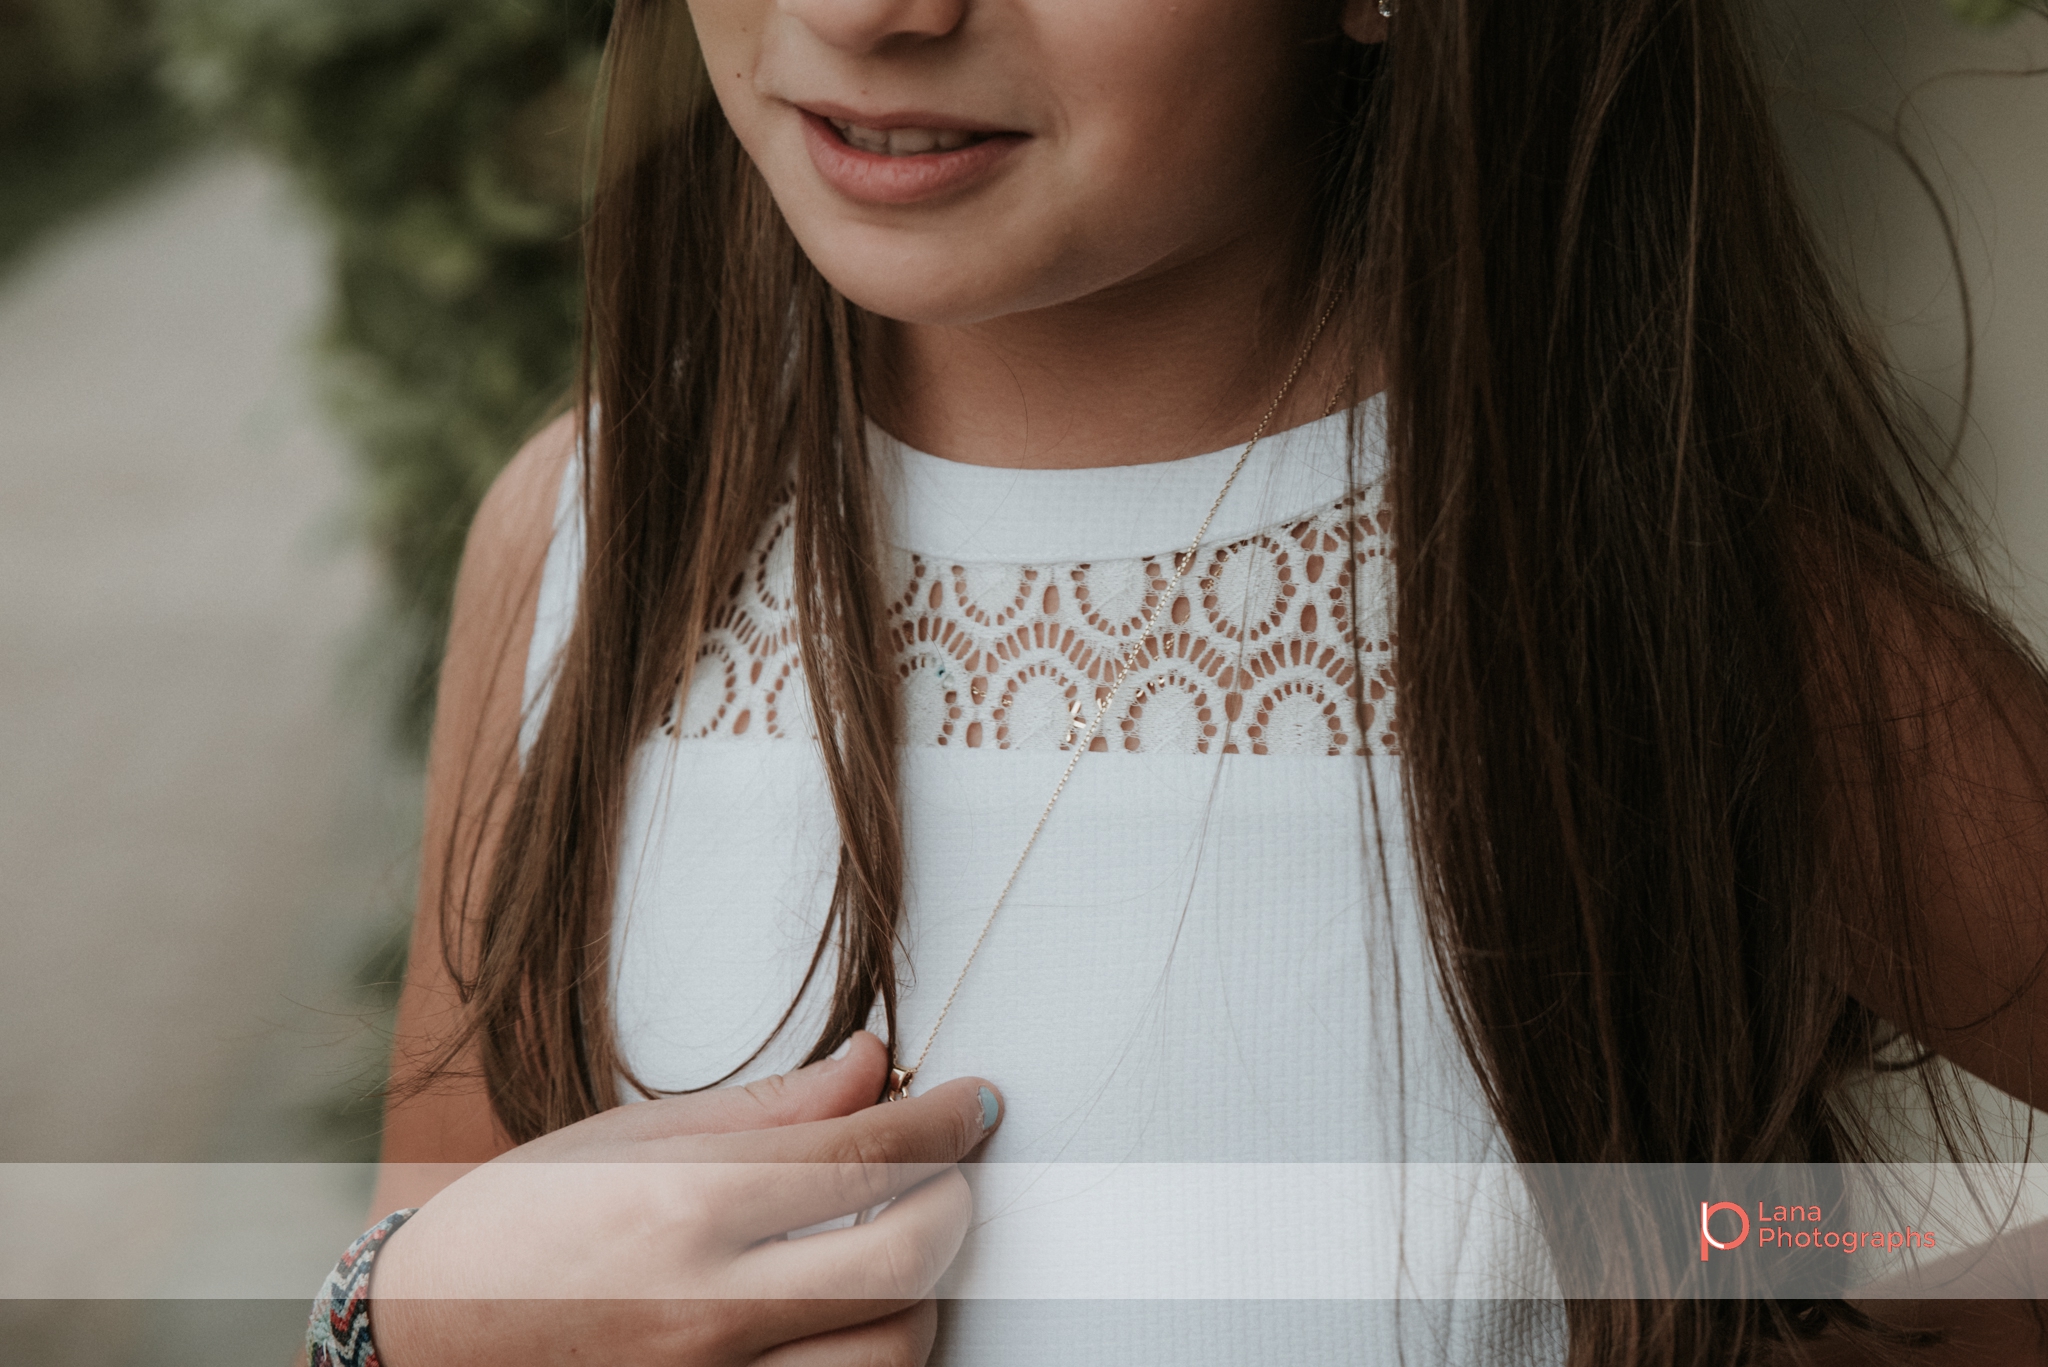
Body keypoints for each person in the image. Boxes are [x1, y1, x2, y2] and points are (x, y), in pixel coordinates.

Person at [307, 0, 2048, 1363]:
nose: (867, 7)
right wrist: (411, 1326)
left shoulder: (1671, 610)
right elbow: (427, 1239)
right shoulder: (592, 542)